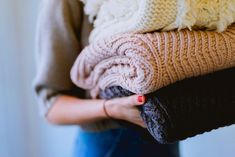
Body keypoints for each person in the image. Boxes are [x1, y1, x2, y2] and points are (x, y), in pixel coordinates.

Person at [33, 0, 179, 156]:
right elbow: (51, 106)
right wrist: (110, 108)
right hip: (110, 141)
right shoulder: (63, 3)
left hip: (165, 133)